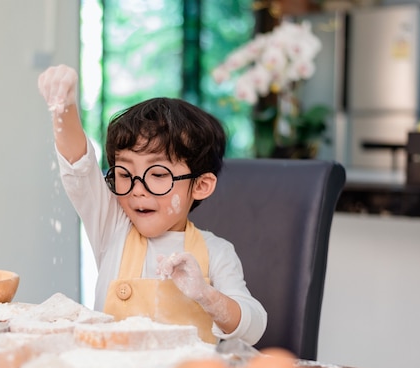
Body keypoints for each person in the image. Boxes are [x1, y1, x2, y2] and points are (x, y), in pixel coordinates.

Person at [38, 64, 266, 345]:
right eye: (124, 174)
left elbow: (253, 328)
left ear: (201, 185)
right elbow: (79, 168)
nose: (137, 189)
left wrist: (206, 295)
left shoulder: (216, 253)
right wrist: (64, 108)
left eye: (158, 175)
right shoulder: (113, 228)